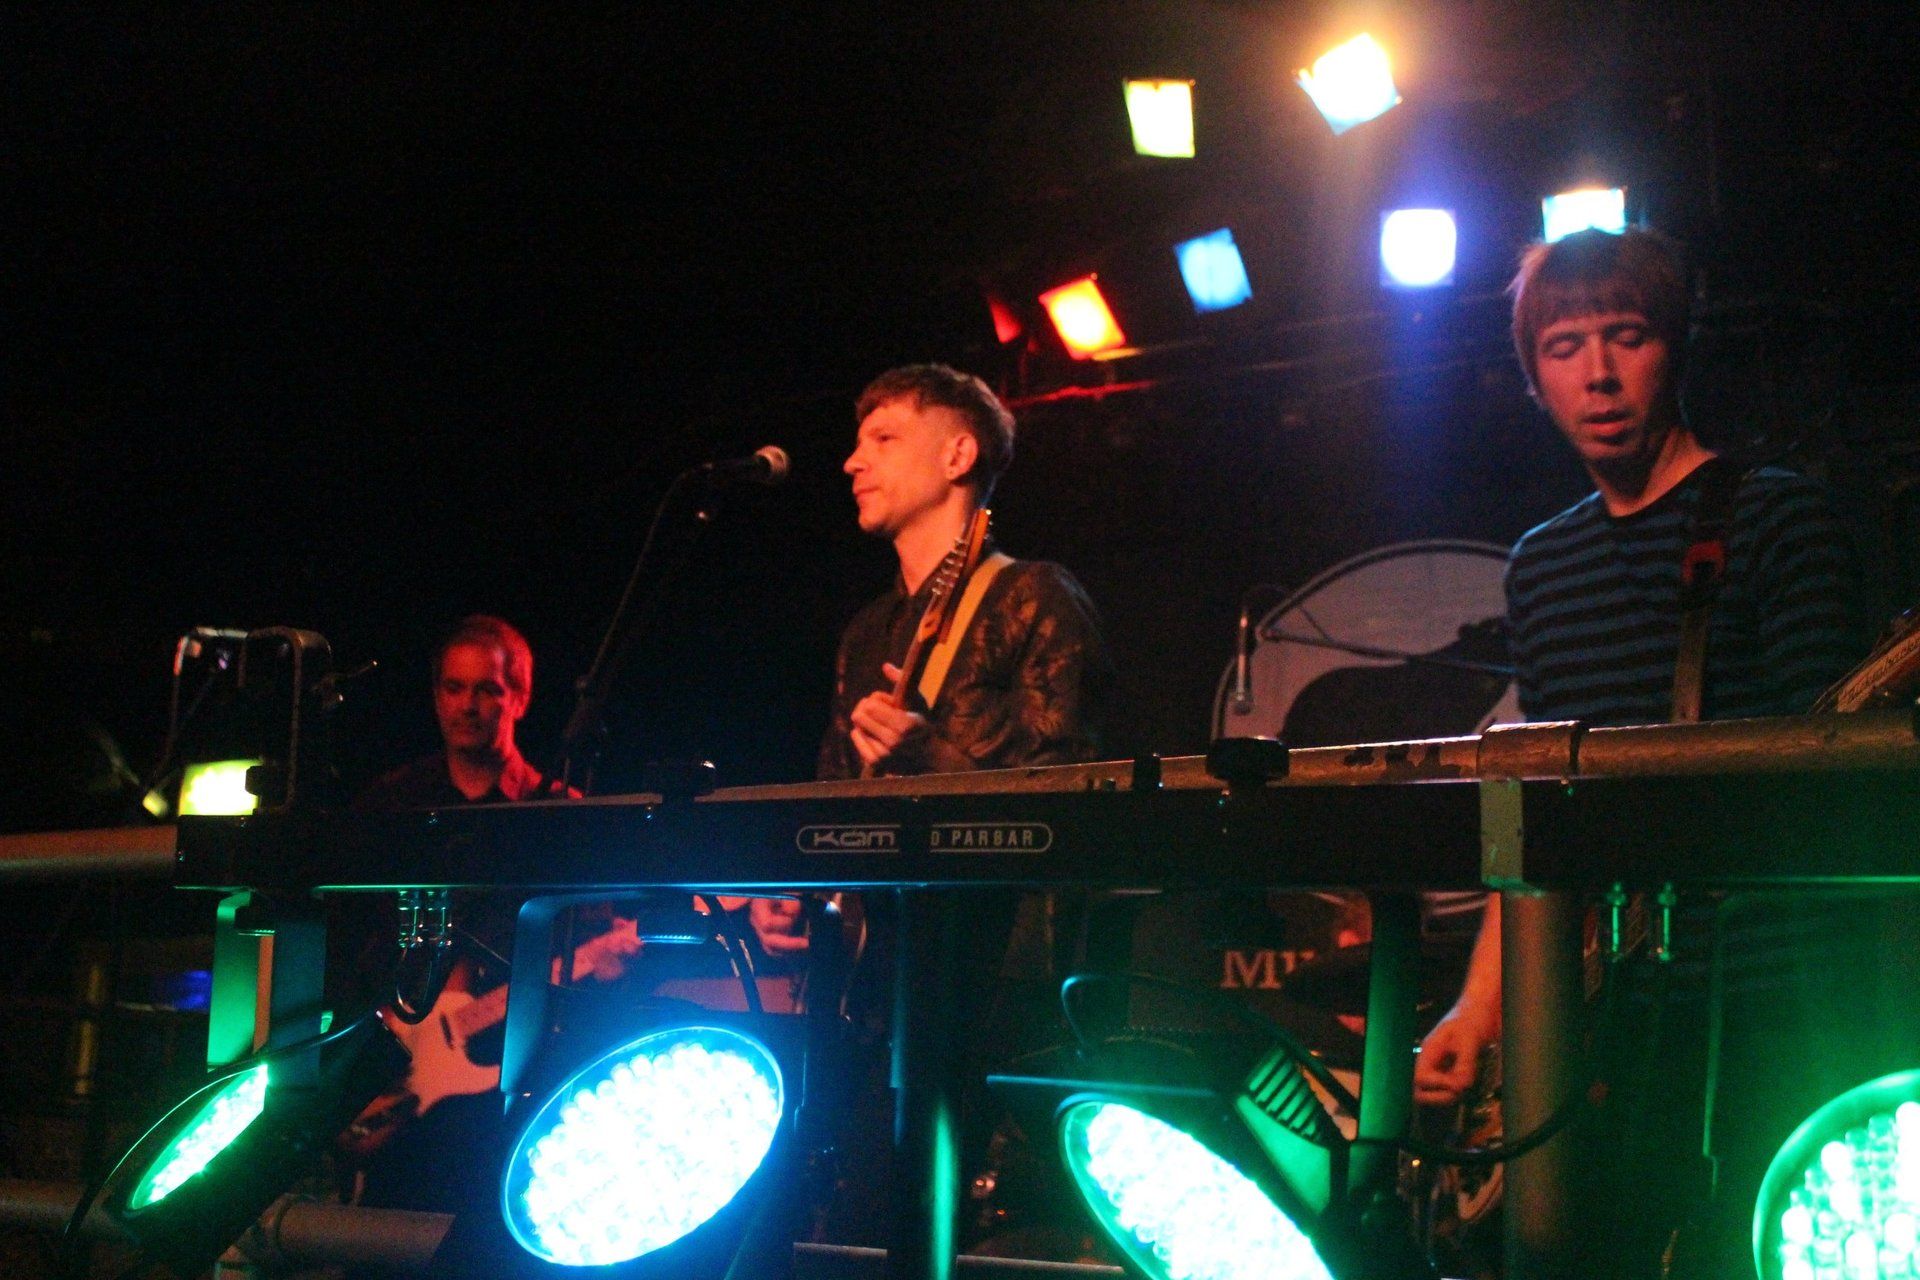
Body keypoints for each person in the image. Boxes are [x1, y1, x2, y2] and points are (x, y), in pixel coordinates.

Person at [1411, 228, 1868, 1272]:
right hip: (1616, 1015)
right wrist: (1482, 1004)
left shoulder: (1775, 514)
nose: (1600, 373)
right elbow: (1531, 807)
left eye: (1627, 336)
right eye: (1566, 346)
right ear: (1533, 378)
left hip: (1776, 999)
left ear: (1676, 349)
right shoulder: (1541, 564)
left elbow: (1843, 787)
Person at [343, 616, 638, 1219]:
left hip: (517, 1094)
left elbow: (599, 960)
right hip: (400, 1077)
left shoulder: (562, 817)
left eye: (487, 690)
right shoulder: (392, 807)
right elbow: (352, 942)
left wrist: (603, 968)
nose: (468, 706)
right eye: (454, 688)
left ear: (520, 698)